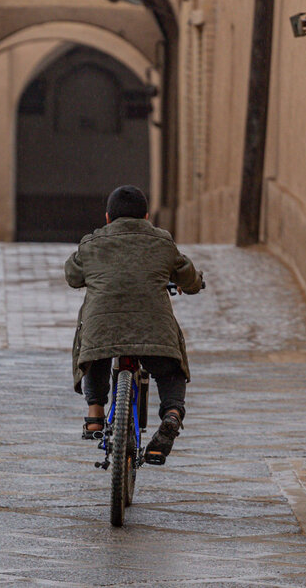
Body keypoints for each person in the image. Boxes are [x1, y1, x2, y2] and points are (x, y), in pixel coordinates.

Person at [65, 185, 204, 464]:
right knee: (170, 369)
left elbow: (72, 275)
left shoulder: (91, 243)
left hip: (103, 328)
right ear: (146, 216)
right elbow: (187, 277)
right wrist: (196, 282)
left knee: (96, 348)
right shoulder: (162, 242)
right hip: (153, 329)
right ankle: (172, 414)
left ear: (107, 218)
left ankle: (94, 415)